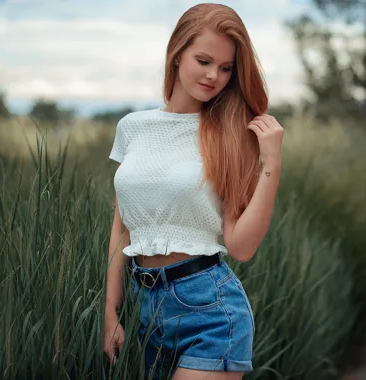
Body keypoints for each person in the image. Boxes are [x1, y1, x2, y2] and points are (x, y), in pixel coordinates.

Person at [103, 3, 283, 379]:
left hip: (209, 310)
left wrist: (271, 165)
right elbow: (121, 228)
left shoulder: (231, 136)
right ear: (177, 53)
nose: (213, 75)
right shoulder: (133, 127)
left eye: (225, 68)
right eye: (204, 60)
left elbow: (241, 247)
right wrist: (110, 312)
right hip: (140, 308)